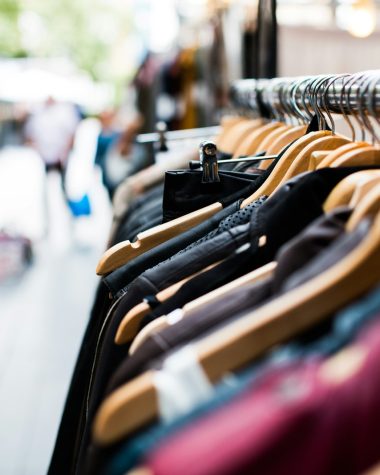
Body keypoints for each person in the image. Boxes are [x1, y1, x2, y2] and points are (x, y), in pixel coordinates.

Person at [24, 96, 80, 188]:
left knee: (61, 185)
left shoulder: (65, 113)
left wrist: (64, 153)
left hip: (60, 157)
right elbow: (30, 134)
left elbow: (72, 134)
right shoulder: (38, 113)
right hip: (43, 156)